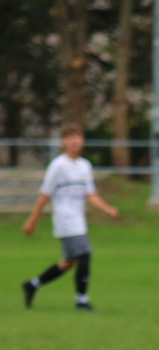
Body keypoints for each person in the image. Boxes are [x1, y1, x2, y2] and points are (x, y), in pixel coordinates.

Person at [21, 124, 119, 311]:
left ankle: (32, 285)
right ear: (64, 142)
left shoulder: (85, 166)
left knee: (68, 263)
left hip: (78, 220)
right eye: (71, 137)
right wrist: (31, 221)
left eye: (78, 137)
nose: (75, 141)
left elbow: (90, 195)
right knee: (85, 254)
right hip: (64, 219)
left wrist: (107, 209)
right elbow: (44, 196)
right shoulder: (57, 166)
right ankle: (81, 300)